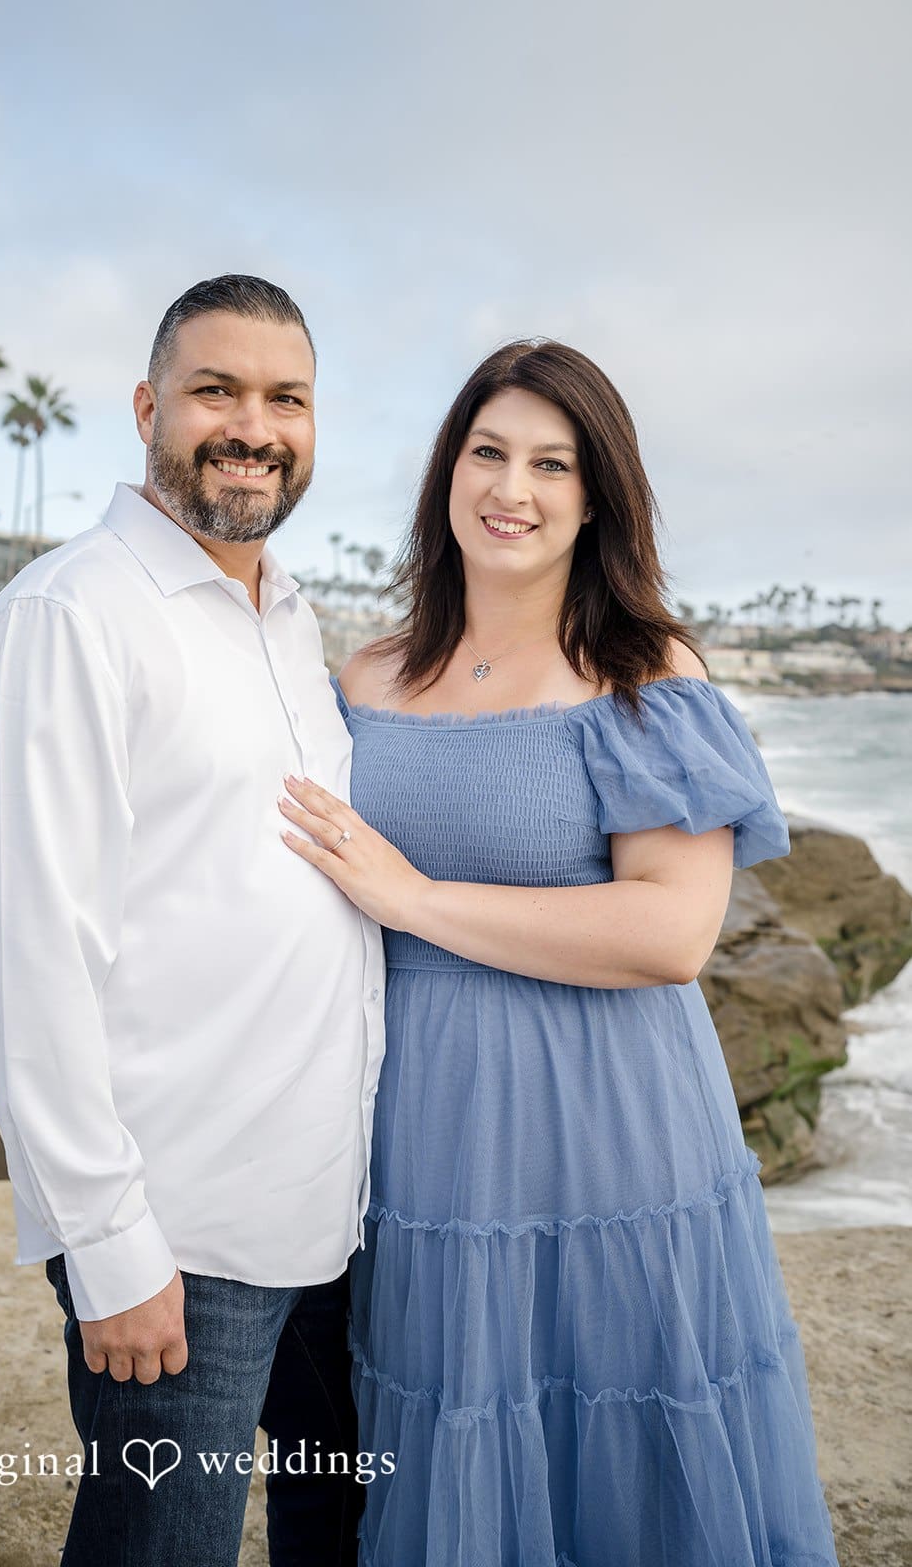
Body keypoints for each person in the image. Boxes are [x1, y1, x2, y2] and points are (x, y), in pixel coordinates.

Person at [279, 339, 840, 1565]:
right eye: (487, 452)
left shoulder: (643, 675)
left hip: (609, 1115)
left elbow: (669, 931)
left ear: (595, 498)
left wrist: (414, 896)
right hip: (418, 1122)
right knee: (450, 1419)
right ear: (446, 472)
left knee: (616, 1423)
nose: (511, 489)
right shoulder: (367, 674)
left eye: (551, 463)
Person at [0, 274, 385, 1567]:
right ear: (149, 408)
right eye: (215, 391)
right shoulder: (68, 617)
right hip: (180, 1232)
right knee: (163, 1549)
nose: (250, 425)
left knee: (340, 1520)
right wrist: (109, 1245)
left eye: (284, 398)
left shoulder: (290, 622)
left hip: (332, 1207)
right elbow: (36, 960)